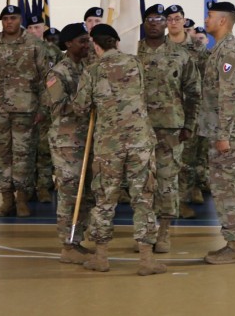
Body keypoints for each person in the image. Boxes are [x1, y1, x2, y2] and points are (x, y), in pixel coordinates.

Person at [73, 24, 166, 275]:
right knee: (143, 198)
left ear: (96, 46)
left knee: (105, 199)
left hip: (109, 145)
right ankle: (146, 259)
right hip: (140, 142)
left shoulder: (92, 71)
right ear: (116, 42)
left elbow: (80, 108)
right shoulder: (136, 63)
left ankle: (101, 257)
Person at [0, 5, 50, 218]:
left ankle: (22, 198)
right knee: (0, 154)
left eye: (13, 18)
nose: (9, 22)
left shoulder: (34, 45)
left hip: (26, 109)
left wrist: (44, 107)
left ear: (20, 20)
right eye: (5, 18)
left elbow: (46, 78)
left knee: (24, 154)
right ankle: (7, 199)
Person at [138, 4, 201, 253]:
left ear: (166, 24)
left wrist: (189, 125)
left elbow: (193, 92)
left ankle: (164, 231)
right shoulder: (132, 52)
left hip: (170, 129)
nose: (154, 23)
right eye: (150, 19)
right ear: (144, 23)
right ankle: (145, 232)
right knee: (141, 182)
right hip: (138, 128)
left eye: (159, 19)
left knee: (166, 181)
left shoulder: (181, 55)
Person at [199, 0, 235, 264]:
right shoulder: (220, 48)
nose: (205, 20)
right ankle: (234, 243)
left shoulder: (228, 51)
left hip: (228, 133)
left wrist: (223, 135)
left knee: (228, 188)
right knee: (226, 187)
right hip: (223, 130)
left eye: (209, 16)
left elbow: (230, 96)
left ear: (222, 21)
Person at [45, 23, 94, 264]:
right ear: (68, 44)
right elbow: (59, 107)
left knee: (85, 193)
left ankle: (77, 240)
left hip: (87, 138)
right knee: (69, 193)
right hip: (67, 141)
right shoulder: (57, 73)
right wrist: (86, 101)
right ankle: (67, 244)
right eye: (82, 41)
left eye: (88, 40)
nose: (87, 45)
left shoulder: (88, 68)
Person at [162, 4, 210, 219]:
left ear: (184, 20)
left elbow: (207, 79)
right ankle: (164, 204)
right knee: (164, 161)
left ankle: (181, 201)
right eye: (169, 19)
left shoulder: (198, 48)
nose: (173, 22)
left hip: (191, 111)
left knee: (186, 161)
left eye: (177, 18)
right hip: (164, 113)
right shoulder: (158, 46)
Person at [25, 14, 64, 202]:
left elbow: (59, 77)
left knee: (44, 148)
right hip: (24, 106)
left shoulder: (52, 51)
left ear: (44, 28)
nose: (34, 31)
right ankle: (25, 187)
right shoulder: (19, 49)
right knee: (24, 148)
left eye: (37, 27)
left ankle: (43, 186)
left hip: (47, 107)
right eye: (30, 28)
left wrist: (57, 103)